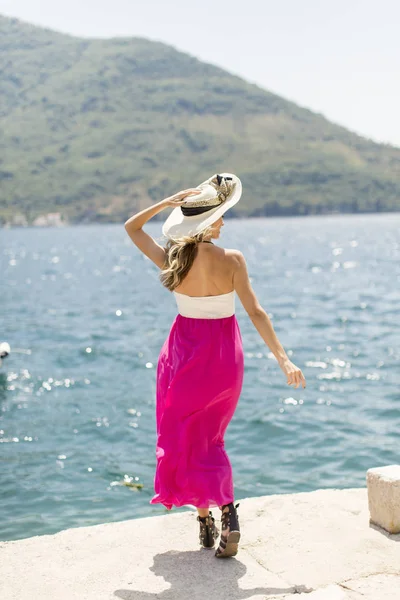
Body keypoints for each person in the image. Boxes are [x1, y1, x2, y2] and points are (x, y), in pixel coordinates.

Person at [124, 172, 306, 558]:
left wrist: (164, 204)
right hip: (224, 357)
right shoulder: (234, 260)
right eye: (220, 216)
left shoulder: (174, 259)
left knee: (185, 438)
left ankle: (207, 517)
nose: (224, 222)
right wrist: (283, 358)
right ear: (207, 222)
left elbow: (132, 228)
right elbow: (256, 312)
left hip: (183, 356)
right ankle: (223, 515)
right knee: (211, 439)